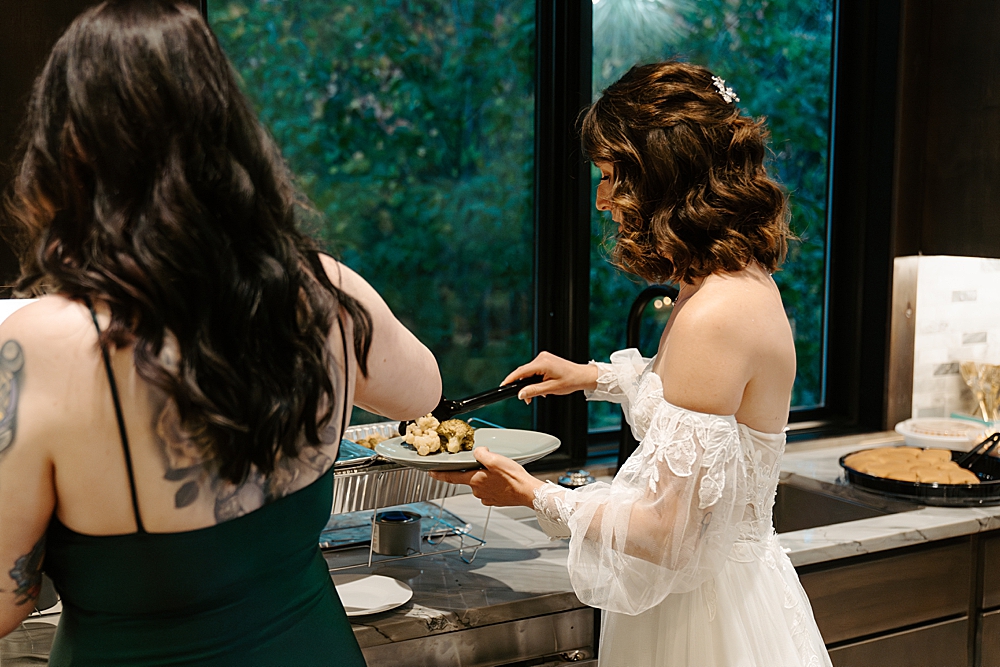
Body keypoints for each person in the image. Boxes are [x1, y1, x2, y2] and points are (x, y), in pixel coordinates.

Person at [0, 1, 441, 665]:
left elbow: (5, 601)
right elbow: (423, 391)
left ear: (71, 149)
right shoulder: (324, 288)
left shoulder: (42, 344)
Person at [432, 61, 833, 667]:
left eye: (611, 178)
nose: (601, 201)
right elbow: (710, 397)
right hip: (727, 595)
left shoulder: (713, 313)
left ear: (664, 177)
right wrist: (593, 377)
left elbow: (668, 535)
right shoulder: (733, 280)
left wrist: (533, 495)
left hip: (707, 621)